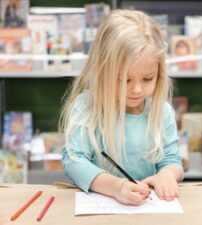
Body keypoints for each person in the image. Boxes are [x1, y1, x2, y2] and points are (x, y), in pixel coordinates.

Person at [60, 9, 184, 206]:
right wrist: (116, 187)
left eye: (147, 79)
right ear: (103, 72)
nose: (136, 89)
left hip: (148, 210)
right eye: (124, 80)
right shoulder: (86, 107)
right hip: (100, 210)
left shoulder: (162, 111)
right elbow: (74, 162)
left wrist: (167, 175)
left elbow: (172, 159)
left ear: (159, 74)